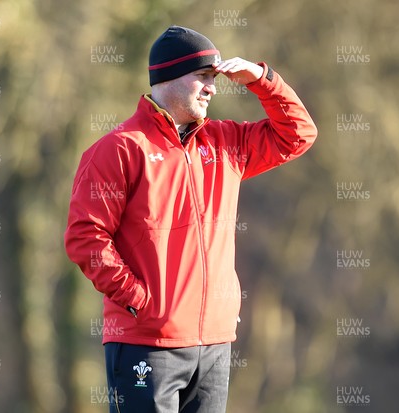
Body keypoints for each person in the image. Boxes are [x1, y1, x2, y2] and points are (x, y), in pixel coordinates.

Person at [64, 25, 317, 413]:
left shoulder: (227, 143)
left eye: (214, 78)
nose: (212, 88)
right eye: (203, 77)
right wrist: (138, 299)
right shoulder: (118, 149)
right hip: (145, 344)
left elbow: (298, 134)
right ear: (168, 78)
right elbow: (85, 237)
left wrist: (262, 80)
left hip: (214, 345)